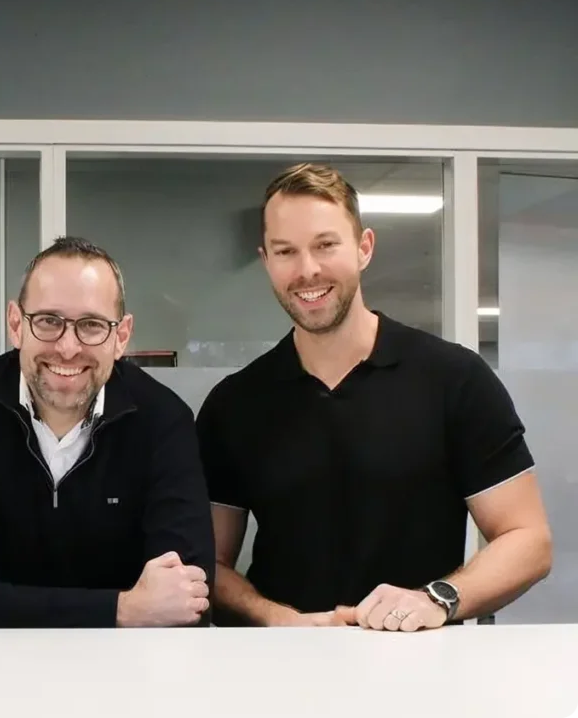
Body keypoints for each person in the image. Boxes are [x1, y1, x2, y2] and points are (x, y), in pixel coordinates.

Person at [197, 163, 553, 632]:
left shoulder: (455, 379)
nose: (308, 270)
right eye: (286, 251)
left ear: (364, 248)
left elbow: (528, 538)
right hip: (281, 668)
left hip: (422, 667)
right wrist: (276, 619)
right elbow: (206, 563)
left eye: (326, 245)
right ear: (266, 261)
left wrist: (438, 598)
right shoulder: (234, 405)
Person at [0, 236, 214, 628]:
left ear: (121, 336)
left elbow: (185, 599)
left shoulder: (164, 420)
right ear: (15, 325)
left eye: (91, 325)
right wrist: (123, 609)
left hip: (127, 672)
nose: (68, 347)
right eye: (48, 321)